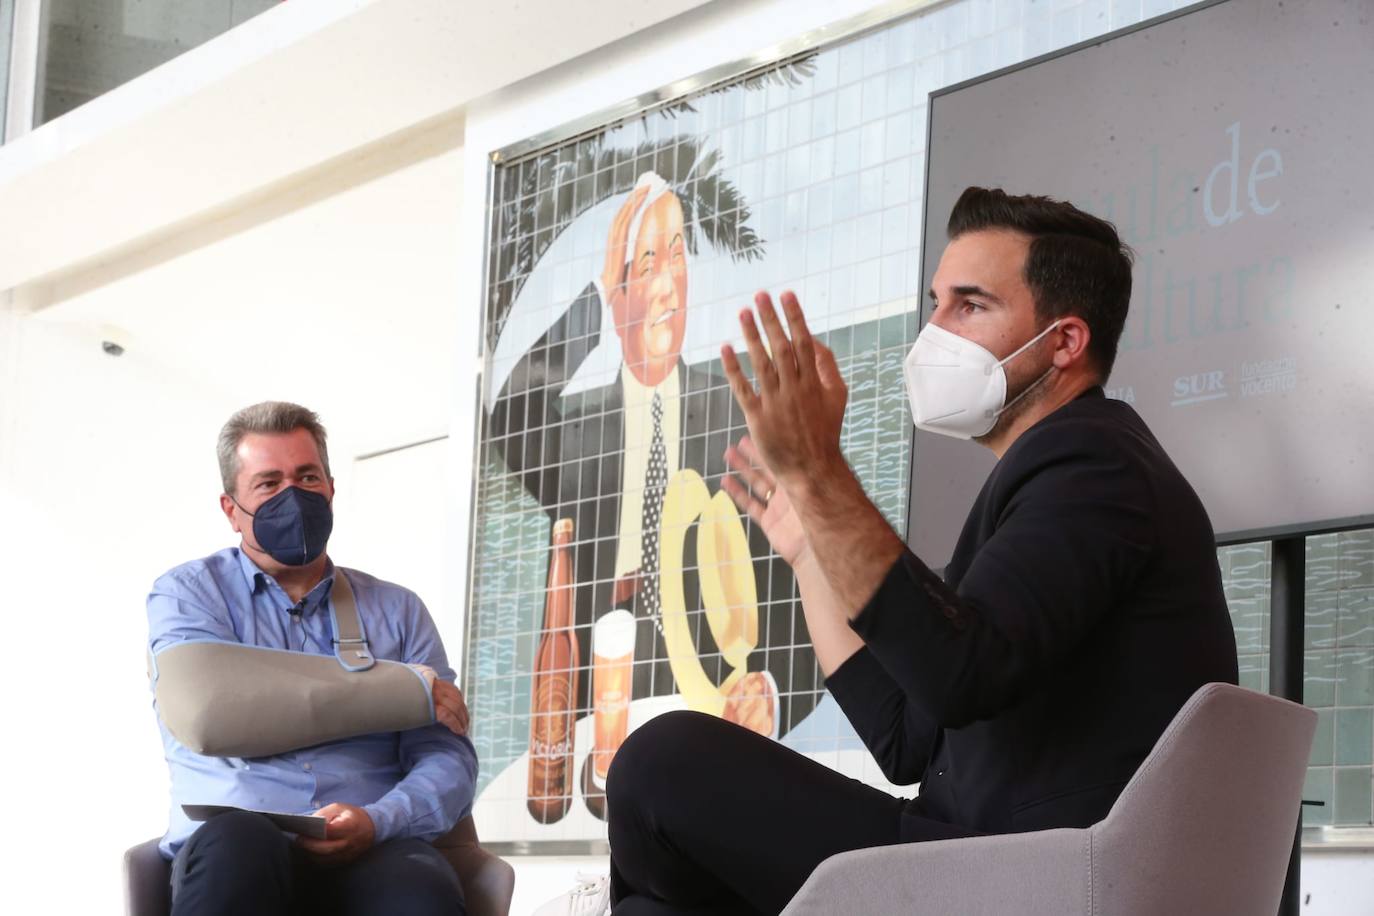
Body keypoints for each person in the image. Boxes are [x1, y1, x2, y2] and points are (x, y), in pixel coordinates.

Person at [603, 187, 1240, 915]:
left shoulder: (1095, 464)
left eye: (969, 305)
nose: (934, 330)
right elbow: (905, 736)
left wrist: (820, 472)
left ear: (1064, 342)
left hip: (1042, 877)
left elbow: (958, 674)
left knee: (660, 763)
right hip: (978, 858)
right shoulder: (1056, 476)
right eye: (936, 304)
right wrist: (811, 553)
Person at [487, 172, 821, 764]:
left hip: (717, 707)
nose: (668, 285)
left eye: (676, 257)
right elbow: (511, 417)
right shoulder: (580, 440)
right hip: (604, 708)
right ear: (615, 302)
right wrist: (595, 292)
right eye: (643, 267)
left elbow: (799, 584)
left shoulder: (739, 416)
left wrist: (771, 694)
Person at [146, 401, 478, 916]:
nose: (293, 497)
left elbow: (446, 757)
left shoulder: (397, 610)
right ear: (230, 509)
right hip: (239, 843)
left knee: (421, 893)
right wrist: (404, 692)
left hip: (374, 845)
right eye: (269, 483)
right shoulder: (188, 595)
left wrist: (380, 820)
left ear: (330, 488)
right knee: (238, 846)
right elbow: (211, 716)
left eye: (306, 477)